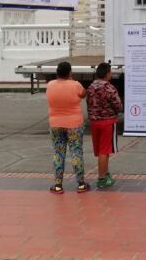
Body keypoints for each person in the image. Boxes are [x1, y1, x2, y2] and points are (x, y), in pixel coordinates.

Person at [46, 61, 89, 193]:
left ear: (57, 72)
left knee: (58, 153)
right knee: (76, 152)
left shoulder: (50, 85)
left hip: (55, 124)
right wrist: (72, 81)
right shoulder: (75, 85)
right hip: (74, 124)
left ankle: (58, 185)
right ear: (70, 72)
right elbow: (83, 94)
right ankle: (81, 183)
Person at [86, 62, 123, 189]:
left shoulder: (91, 87)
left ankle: (105, 174)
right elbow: (118, 106)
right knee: (105, 151)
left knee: (100, 151)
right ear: (107, 74)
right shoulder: (109, 88)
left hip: (94, 122)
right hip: (107, 122)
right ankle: (102, 178)